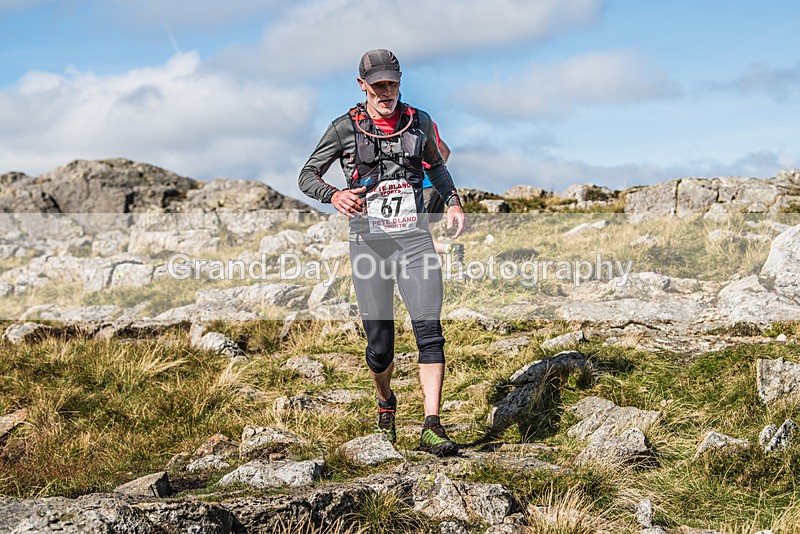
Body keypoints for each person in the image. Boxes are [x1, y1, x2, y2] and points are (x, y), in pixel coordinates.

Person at [298, 49, 466, 456]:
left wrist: (453, 201)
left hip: (414, 240)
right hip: (369, 244)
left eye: (391, 83)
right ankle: (386, 400)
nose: (386, 91)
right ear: (362, 86)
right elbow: (307, 175)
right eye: (377, 86)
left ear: (400, 81)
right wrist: (334, 195)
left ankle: (432, 425)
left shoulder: (418, 121)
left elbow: (436, 165)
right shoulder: (344, 128)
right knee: (380, 346)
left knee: (430, 332)